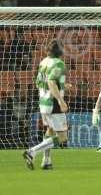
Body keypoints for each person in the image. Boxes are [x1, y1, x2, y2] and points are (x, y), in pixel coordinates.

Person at [23, 40, 69, 170]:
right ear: (60, 51)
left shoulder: (43, 62)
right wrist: (61, 101)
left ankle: (46, 161)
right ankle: (32, 152)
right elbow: (50, 81)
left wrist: (63, 86)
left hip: (43, 103)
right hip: (53, 103)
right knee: (62, 137)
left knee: (50, 131)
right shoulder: (59, 63)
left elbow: (40, 82)